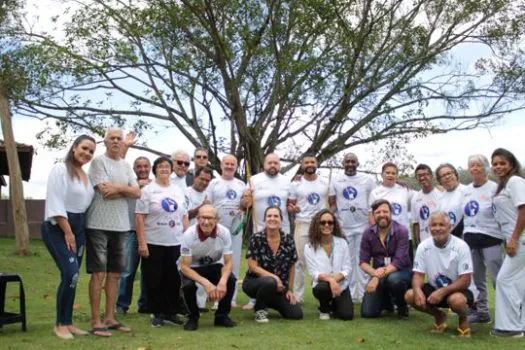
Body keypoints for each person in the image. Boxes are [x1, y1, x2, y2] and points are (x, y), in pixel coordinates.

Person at [86, 128, 141, 336]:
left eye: (119, 138)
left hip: (121, 226)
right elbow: (104, 191)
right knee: (98, 273)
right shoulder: (98, 162)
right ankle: (95, 321)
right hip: (98, 225)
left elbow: (137, 192)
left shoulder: (127, 165)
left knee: (115, 274)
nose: (117, 141)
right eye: (113, 139)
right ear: (106, 142)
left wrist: (119, 188)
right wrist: (125, 189)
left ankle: (110, 318)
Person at [41, 135, 96, 339]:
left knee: (73, 278)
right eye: (84, 148)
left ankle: (68, 322)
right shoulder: (60, 169)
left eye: (91, 151)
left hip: (79, 228)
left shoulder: (86, 176)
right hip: (58, 227)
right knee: (70, 272)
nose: (87, 153)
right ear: (74, 148)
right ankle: (60, 325)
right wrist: (68, 232)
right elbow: (56, 203)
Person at [135, 156, 189, 327]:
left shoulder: (178, 190)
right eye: (160, 167)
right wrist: (142, 243)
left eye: (167, 166)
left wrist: (187, 238)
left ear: (171, 170)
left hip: (176, 242)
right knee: (154, 279)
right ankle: (157, 313)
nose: (164, 169)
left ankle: (171, 312)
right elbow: (139, 217)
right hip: (154, 241)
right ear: (155, 170)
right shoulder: (148, 190)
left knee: (173, 279)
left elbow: (184, 215)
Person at [405, 211, 474, 338]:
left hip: (457, 291)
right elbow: (418, 275)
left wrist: (442, 291)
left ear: (450, 227)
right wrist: (417, 290)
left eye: (441, 225)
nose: (437, 228)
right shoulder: (423, 246)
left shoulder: (461, 246)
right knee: (410, 295)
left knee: (456, 300)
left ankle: (463, 320)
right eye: (434, 225)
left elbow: (465, 280)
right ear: (429, 228)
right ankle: (439, 316)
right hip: (434, 290)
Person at [243, 153, 292, 310]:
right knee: (258, 264)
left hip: (282, 229)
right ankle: (254, 299)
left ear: (279, 165)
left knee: (285, 263)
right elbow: (244, 204)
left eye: (276, 163)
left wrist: (293, 208)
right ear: (264, 164)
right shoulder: (254, 180)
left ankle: (288, 292)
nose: (273, 165)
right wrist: (247, 200)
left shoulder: (286, 181)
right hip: (260, 229)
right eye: (270, 163)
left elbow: (291, 204)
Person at [179, 204, 237, 331]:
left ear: (217, 219)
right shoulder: (189, 234)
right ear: (198, 219)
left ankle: (221, 316)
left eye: (210, 218)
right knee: (188, 286)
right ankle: (192, 317)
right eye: (203, 218)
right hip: (191, 267)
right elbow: (184, 267)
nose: (206, 222)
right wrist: (206, 283)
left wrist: (222, 282)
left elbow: (228, 262)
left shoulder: (224, 232)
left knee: (230, 280)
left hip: (213, 265)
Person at [461, 154, 503, 324]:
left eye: (478, 165)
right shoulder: (466, 190)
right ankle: (482, 312)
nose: (475, 169)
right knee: (477, 278)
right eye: (472, 166)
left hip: (491, 237)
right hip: (471, 238)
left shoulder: (496, 188)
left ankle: (508, 312)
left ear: (486, 168)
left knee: (498, 277)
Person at [242, 206, 303, 323]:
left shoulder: (288, 240)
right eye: (269, 216)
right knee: (270, 281)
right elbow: (252, 266)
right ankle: (260, 310)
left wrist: (290, 290)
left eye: (276, 216)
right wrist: (274, 277)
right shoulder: (256, 238)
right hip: (254, 283)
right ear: (265, 219)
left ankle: (267, 300)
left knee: (296, 314)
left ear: (281, 220)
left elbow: (291, 266)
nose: (272, 218)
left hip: (279, 288)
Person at [329, 152, 375, 303]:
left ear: (358, 164)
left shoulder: (367, 180)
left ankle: (362, 294)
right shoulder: (335, 180)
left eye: (353, 161)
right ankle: (347, 293)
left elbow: (374, 201)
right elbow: (332, 203)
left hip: (363, 227)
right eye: (347, 161)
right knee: (346, 261)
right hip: (344, 227)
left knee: (362, 261)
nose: (350, 164)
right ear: (343, 164)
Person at [490, 148, 525, 338]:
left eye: (502, 163)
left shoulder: (515, 181)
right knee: (521, 282)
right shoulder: (503, 185)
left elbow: (523, 210)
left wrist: (513, 238)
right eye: (495, 163)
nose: (498, 167)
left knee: (505, 280)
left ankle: (510, 328)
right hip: (514, 239)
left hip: (520, 240)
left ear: (511, 164)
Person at [206, 155, 248, 306]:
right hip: (217, 230)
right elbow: (208, 205)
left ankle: (232, 298)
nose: (229, 167)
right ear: (221, 166)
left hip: (235, 229)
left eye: (232, 164)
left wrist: (244, 204)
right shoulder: (214, 183)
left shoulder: (241, 184)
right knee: (219, 263)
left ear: (236, 167)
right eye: (227, 164)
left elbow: (245, 204)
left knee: (234, 262)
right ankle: (217, 297)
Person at [360, 199, 412, 319]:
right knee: (368, 313)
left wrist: (376, 277)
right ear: (373, 215)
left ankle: (402, 307)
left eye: (385, 211)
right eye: (378, 212)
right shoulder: (368, 233)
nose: (382, 215)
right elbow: (363, 262)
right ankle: (387, 303)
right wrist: (374, 274)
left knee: (394, 280)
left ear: (391, 213)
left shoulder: (401, 231)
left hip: (400, 272)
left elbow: (398, 261)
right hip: (379, 273)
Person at [288, 154, 329, 303]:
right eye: (306, 162)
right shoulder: (295, 184)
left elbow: (332, 202)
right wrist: (294, 208)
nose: (309, 164)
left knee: (323, 260)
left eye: (312, 162)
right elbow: (290, 205)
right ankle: (298, 296)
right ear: (302, 165)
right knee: (299, 261)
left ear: (317, 164)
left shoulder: (325, 183)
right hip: (302, 224)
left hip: (321, 225)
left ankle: (325, 295)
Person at [116, 156, 151, 315]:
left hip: (150, 233)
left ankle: (144, 304)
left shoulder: (154, 186)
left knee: (147, 272)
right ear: (134, 169)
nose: (143, 169)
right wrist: (137, 186)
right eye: (139, 167)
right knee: (128, 271)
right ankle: (122, 305)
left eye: (146, 166)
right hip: (130, 232)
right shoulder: (129, 184)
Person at [304, 209, 353, 320]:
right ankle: (324, 309)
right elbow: (313, 272)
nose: (327, 225)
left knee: (347, 316)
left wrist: (335, 280)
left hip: (341, 285)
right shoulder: (309, 247)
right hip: (322, 285)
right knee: (322, 288)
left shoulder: (342, 242)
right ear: (317, 224)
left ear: (334, 225)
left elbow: (347, 268)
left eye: (330, 222)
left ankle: (333, 305)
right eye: (323, 222)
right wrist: (331, 280)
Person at [368, 162, 414, 260]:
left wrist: (438, 189)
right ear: (382, 174)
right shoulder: (375, 193)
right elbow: (371, 216)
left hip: (404, 236)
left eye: (393, 173)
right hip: (384, 237)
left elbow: (420, 196)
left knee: (406, 269)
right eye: (387, 172)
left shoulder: (405, 190)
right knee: (384, 270)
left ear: (397, 175)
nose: (390, 175)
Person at [184, 166, 213, 310]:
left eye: (207, 180)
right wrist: (201, 207)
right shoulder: (186, 192)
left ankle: (200, 304)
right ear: (195, 177)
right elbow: (185, 215)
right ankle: (186, 304)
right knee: (188, 271)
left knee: (203, 269)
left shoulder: (208, 195)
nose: (204, 182)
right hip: (188, 238)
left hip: (205, 239)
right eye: (202, 179)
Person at [411, 164, 443, 244]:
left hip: (441, 240)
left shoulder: (442, 194)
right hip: (424, 242)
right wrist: (418, 242)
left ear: (431, 176)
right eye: (419, 176)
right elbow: (416, 223)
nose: (422, 178)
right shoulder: (415, 198)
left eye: (425, 175)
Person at [436, 163, 466, 238]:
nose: (447, 177)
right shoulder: (440, 198)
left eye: (449, 173)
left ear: (455, 174)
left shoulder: (467, 191)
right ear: (439, 180)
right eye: (443, 176)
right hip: (449, 240)